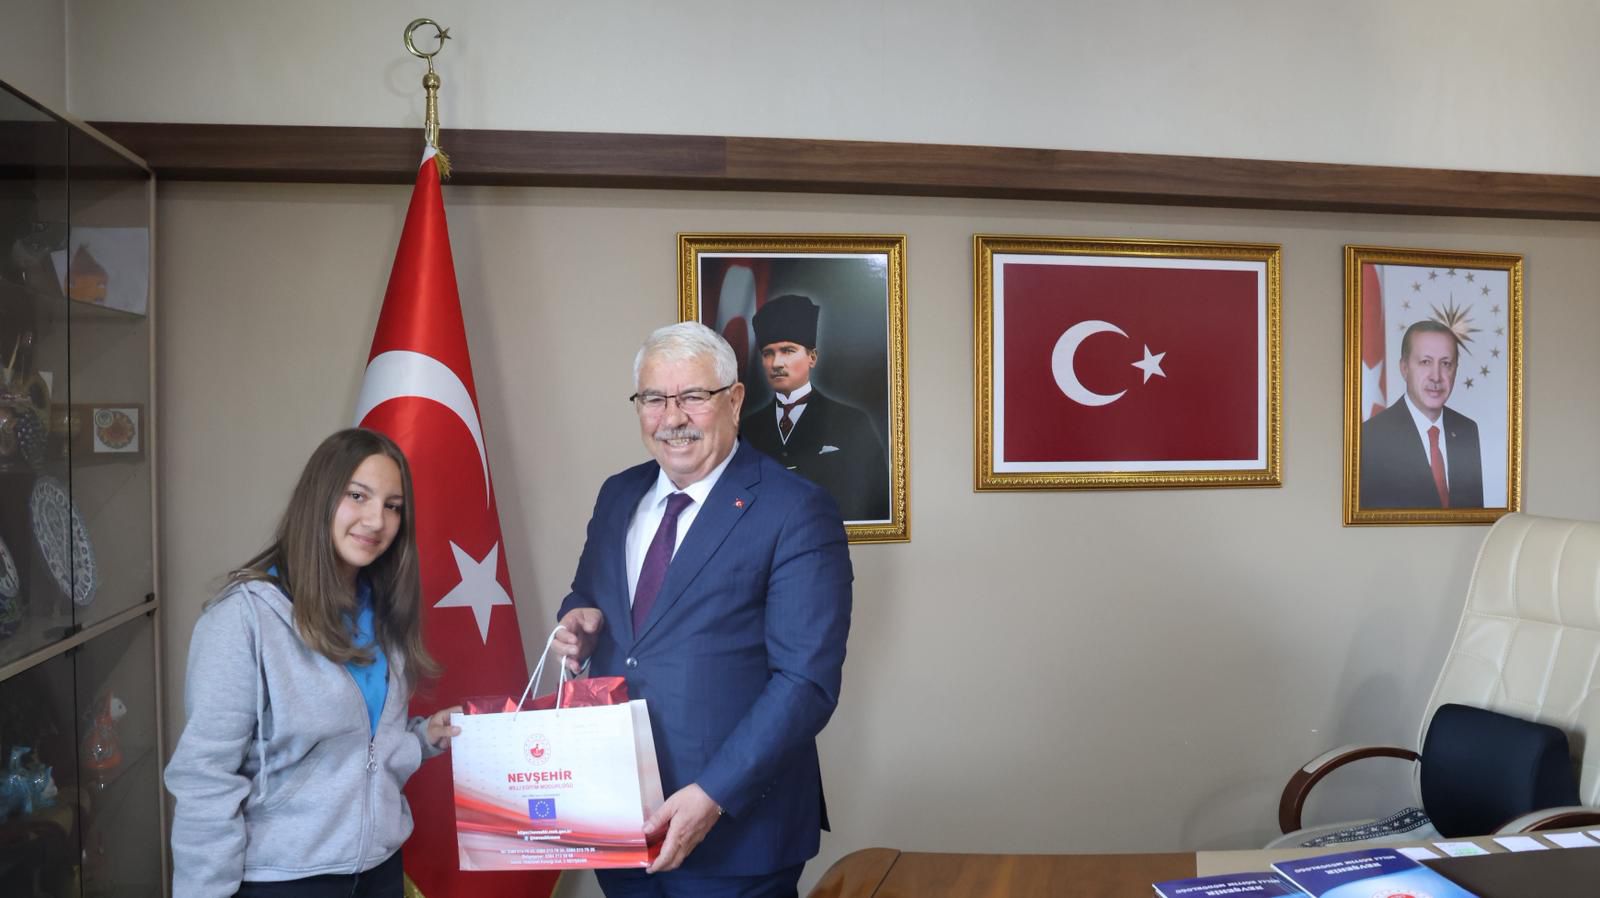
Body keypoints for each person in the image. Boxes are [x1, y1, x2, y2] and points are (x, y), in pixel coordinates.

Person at [554, 321, 853, 897]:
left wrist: (714, 794)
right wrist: (580, 618)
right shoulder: (618, 494)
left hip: (737, 832)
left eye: (692, 396)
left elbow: (805, 681)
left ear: (734, 400)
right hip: (622, 816)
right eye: (653, 399)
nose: (672, 417)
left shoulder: (796, 509)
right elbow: (589, 594)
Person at [165, 427, 462, 898]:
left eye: (393, 506)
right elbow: (206, 780)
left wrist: (423, 738)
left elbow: (361, 747)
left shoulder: (386, 609)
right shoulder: (244, 619)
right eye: (358, 496)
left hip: (381, 871)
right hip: (283, 881)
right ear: (319, 498)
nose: (377, 520)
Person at [738, 293, 890, 522]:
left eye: (788, 351)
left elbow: (877, 500)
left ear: (812, 357)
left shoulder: (852, 421)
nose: (776, 363)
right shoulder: (748, 428)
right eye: (768, 353)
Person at [1360, 320, 1484, 509]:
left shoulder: (1467, 430)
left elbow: (1475, 517)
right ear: (1404, 368)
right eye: (1425, 362)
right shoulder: (1371, 437)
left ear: (1455, 370)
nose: (1436, 376)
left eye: (1446, 363)